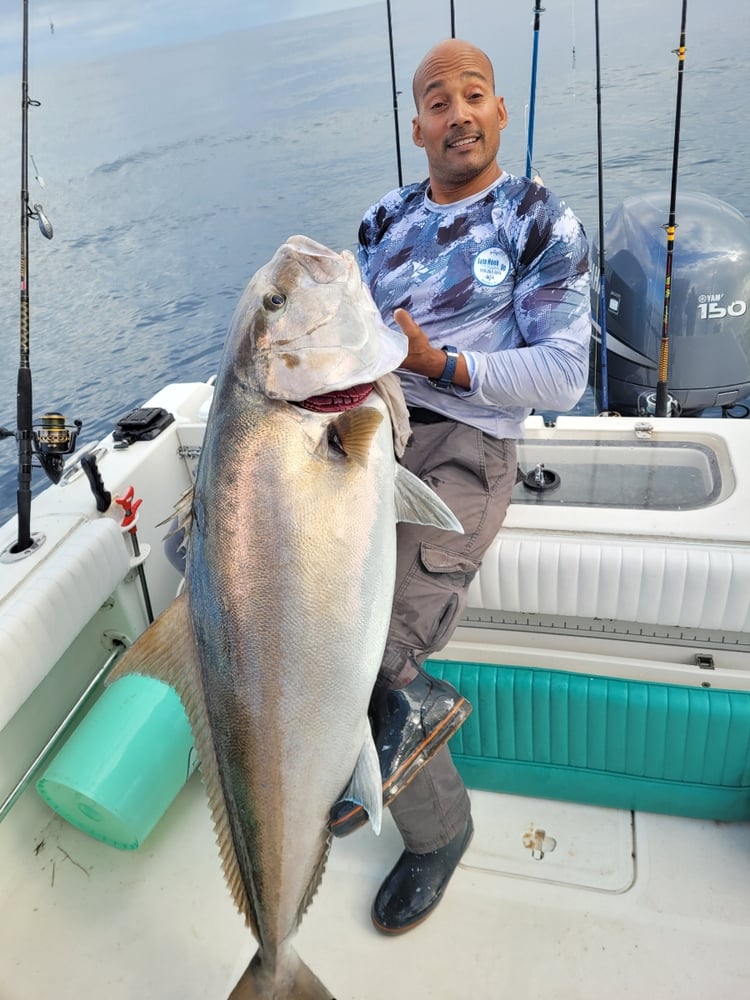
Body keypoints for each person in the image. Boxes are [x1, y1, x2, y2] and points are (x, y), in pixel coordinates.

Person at [329, 38, 591, 935]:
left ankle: (439, 830)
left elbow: (563, 376)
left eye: (473, 95)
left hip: (469, 445)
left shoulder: (537, 219)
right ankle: (358, 768)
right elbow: (344, 334)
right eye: (438, 102)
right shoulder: (382, 221)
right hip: (371, 432)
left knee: (379, 647)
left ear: (500, 112)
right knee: (304, 608)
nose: (458, 114)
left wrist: (447, 363)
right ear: (417, 127)